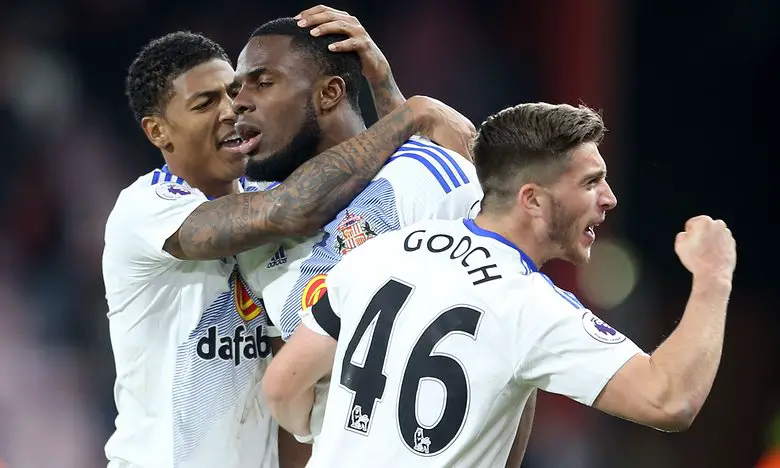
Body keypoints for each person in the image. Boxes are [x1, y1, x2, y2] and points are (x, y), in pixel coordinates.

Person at [262, 102, 737, 467]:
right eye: (591, 183)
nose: (608, 198)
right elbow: (669, 399)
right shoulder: (528, 305)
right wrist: (713, 277)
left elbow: (282, 386)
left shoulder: (382, 250)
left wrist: (337, 438)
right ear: (533, 200)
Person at [102, 25, 473, 468]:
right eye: (205, 103)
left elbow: (395, 177)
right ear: (158, 131)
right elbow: (291, 209)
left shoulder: (266, 196)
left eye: (233, 92)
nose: (231, 110)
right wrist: (412, 113)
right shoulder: (148, 208)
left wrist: (382, 84)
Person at [230, 11, 542, 463]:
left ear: (330, 93)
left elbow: (514, 338)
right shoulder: (248, 219)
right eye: (236, 89)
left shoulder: (427, 177)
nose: (239, 102)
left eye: (262, 83)